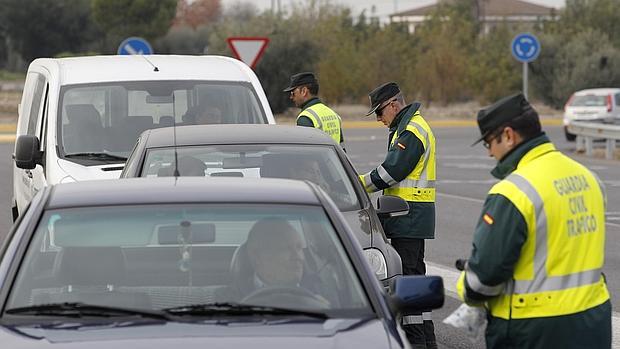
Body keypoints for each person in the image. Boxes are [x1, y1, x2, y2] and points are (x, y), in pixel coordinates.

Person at [456, 93, 611, 348]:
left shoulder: (513, 192)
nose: (489, 154)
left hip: (534, 329)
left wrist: (465, 284)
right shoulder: (589, 178)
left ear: (508, 136)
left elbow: (483, 279)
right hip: (593, 320)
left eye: (488, 143)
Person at [358, 82, 437, 349]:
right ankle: (426, 339)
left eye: (380, 112)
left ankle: (417, 342)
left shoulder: (412, 131)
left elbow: (391, 171)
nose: (379, 119)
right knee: (415, 278)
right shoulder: (404, 128)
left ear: (393, 104)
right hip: (409, 216)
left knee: (408, 281)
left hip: (409, 216)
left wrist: (356, 184)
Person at [236, 217, 332, 309]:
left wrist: (326, 311)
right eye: (285, 249)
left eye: (299, 248)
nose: (298, 257)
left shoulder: (323, 292)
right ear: (257, 257)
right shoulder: (229, 298)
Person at [283, 72, 345, 150]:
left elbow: (307, 153)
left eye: (293, 93)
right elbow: (342, 150)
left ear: (304, 91)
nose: (291, 97)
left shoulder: (305, 118)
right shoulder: (333, 114)